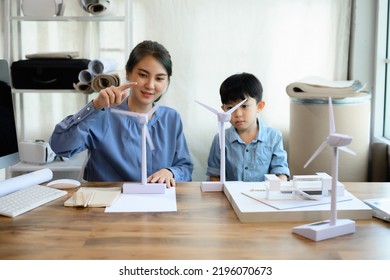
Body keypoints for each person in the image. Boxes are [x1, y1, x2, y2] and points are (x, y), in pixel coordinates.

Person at [50, 40, 193, 187]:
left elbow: (185, 168)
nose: (150, 85)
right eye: (143, 75)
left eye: (159, 78)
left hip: (157, 203)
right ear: (128, 72)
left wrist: (171, 172)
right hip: (106, 203)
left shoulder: (171, 118)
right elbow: (60, 147)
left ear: (167, 81)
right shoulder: (103, 114)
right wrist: (95, 106)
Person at [206, 72, 290, 182]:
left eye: (244, 106)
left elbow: (281, 171)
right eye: (231, 108)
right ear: (224, 110)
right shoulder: (220, 139)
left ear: (259, 106)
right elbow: (214, 175)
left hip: (263, 197)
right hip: (230, 197)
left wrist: (278, 186)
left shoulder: (274, 136)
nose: (238, 114)